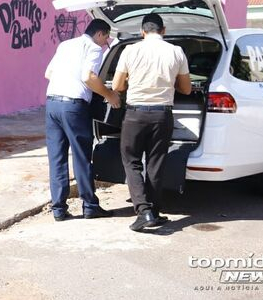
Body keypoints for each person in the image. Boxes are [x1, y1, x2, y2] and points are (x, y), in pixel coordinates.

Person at [112, 13, 191, 232]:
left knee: (132, 162)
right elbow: (186, 88)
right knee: (156, 164)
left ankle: (144, 211)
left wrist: (132, 80)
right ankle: (153, 212)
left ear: (142, 31)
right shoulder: (176, 51)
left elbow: (117, 86)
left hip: (135, 114)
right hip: (162, 115)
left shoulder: (130, 50)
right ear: (163, 30)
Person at [44, 19, 121, 221]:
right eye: (106, 39)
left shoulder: (65, 45)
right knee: (81, 156)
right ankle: (90, 206)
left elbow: (48, 73)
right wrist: (109, 94)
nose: (105, 44)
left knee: (57, 158)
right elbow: (89, 77)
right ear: (100, 34)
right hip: (73, 107)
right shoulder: (94, 49)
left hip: (52, 103)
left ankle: (59, 209)